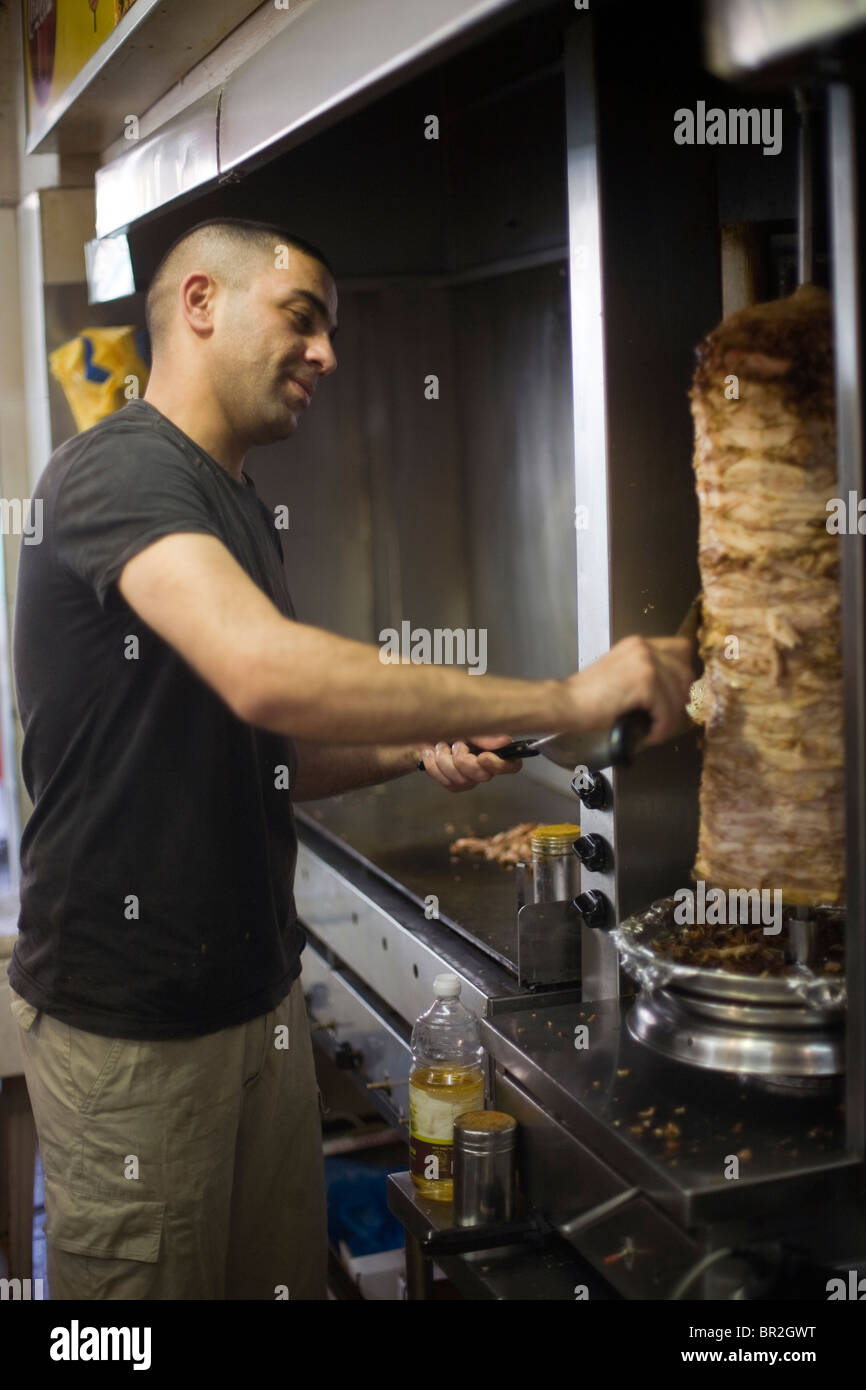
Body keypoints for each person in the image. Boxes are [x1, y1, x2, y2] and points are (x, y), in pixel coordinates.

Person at [7, 218, 694, 1300]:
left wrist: (414, 748)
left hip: (254, 1003)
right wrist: (568, 694)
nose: (326, 352)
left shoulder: (226, 495)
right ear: (199, 304)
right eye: (301, 318)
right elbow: (264, 673)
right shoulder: (120, 471)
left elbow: (261, 746)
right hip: (131, 1037)